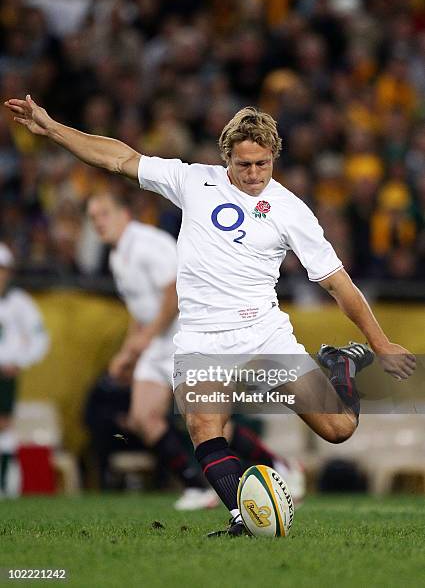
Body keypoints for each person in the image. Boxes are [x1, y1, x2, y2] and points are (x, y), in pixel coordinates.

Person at [5, 97, 416, 536]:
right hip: (201, 337)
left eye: (262, 164)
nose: (254, 174)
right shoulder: (192, 181)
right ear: (226, 159)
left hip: (264, 333)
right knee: (204, 426)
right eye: (244, 165)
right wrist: (53, 129)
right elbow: (120, 157)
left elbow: (338, 283)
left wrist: (379, 343)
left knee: (338, 429)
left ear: (273, 158)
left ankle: (342, 365)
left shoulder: (291, 210)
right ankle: (244, 517)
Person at [87, 191, 217, 510]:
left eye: (104, 213)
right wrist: (128, 353)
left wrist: (146, 340)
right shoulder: (118, 255)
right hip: (159, 339)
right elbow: (141, 310)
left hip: (187, 333)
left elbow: (173, 293)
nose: (98, 223)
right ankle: (197, 487)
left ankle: (275, 464)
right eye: (93, 218)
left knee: (206, 419)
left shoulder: (147, 243)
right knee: (143, 417)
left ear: (124, 214)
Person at [0, 242, 50, 495]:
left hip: (5, 375)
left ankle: (5, 485)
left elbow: (40, 338)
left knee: (4, 424)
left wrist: (19, 361)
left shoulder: (19, 303)